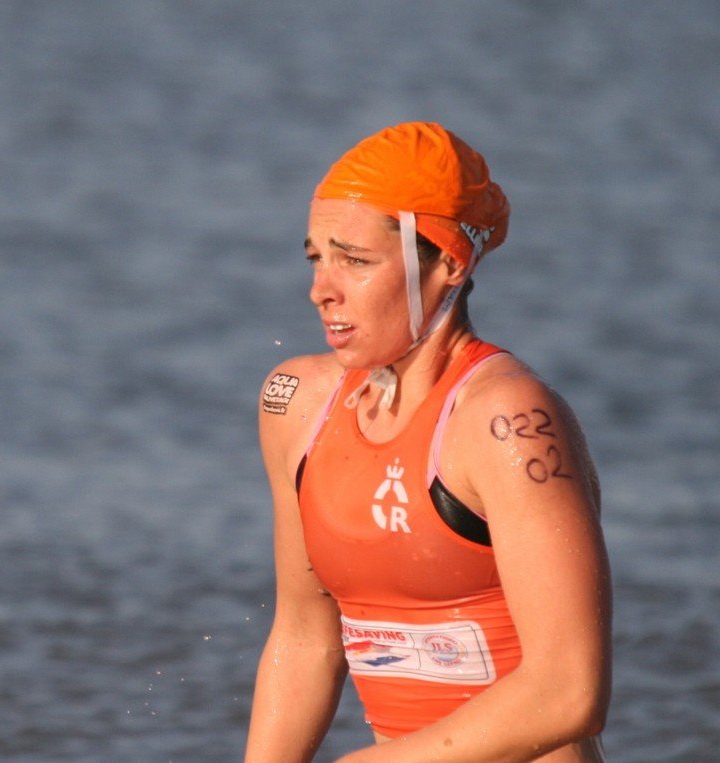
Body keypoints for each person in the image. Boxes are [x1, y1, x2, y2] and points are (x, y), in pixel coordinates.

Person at [245, 122, 611, 762]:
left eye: (355, 261)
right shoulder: (296, 404)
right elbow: (305, 638)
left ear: (449, 263)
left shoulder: (505, 420)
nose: (321, 289)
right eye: (316, 258)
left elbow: (569, 692)